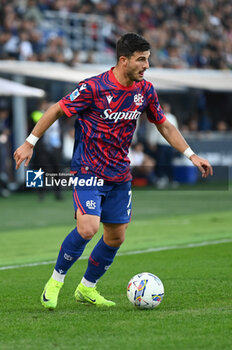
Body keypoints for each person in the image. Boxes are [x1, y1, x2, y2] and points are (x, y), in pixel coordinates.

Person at [14, 33, 213, 310]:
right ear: (123, 60)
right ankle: (55, 282)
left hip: (119, 173)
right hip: (88, 169)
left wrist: (191, 155)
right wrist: (29, 142)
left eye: (148, 60)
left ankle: (87, 289)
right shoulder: (94, 88)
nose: (146, 66)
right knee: (88, 227)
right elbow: (57, 110)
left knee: (116, 237)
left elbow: (163, 125)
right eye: (141, 60)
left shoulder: (145, 91)